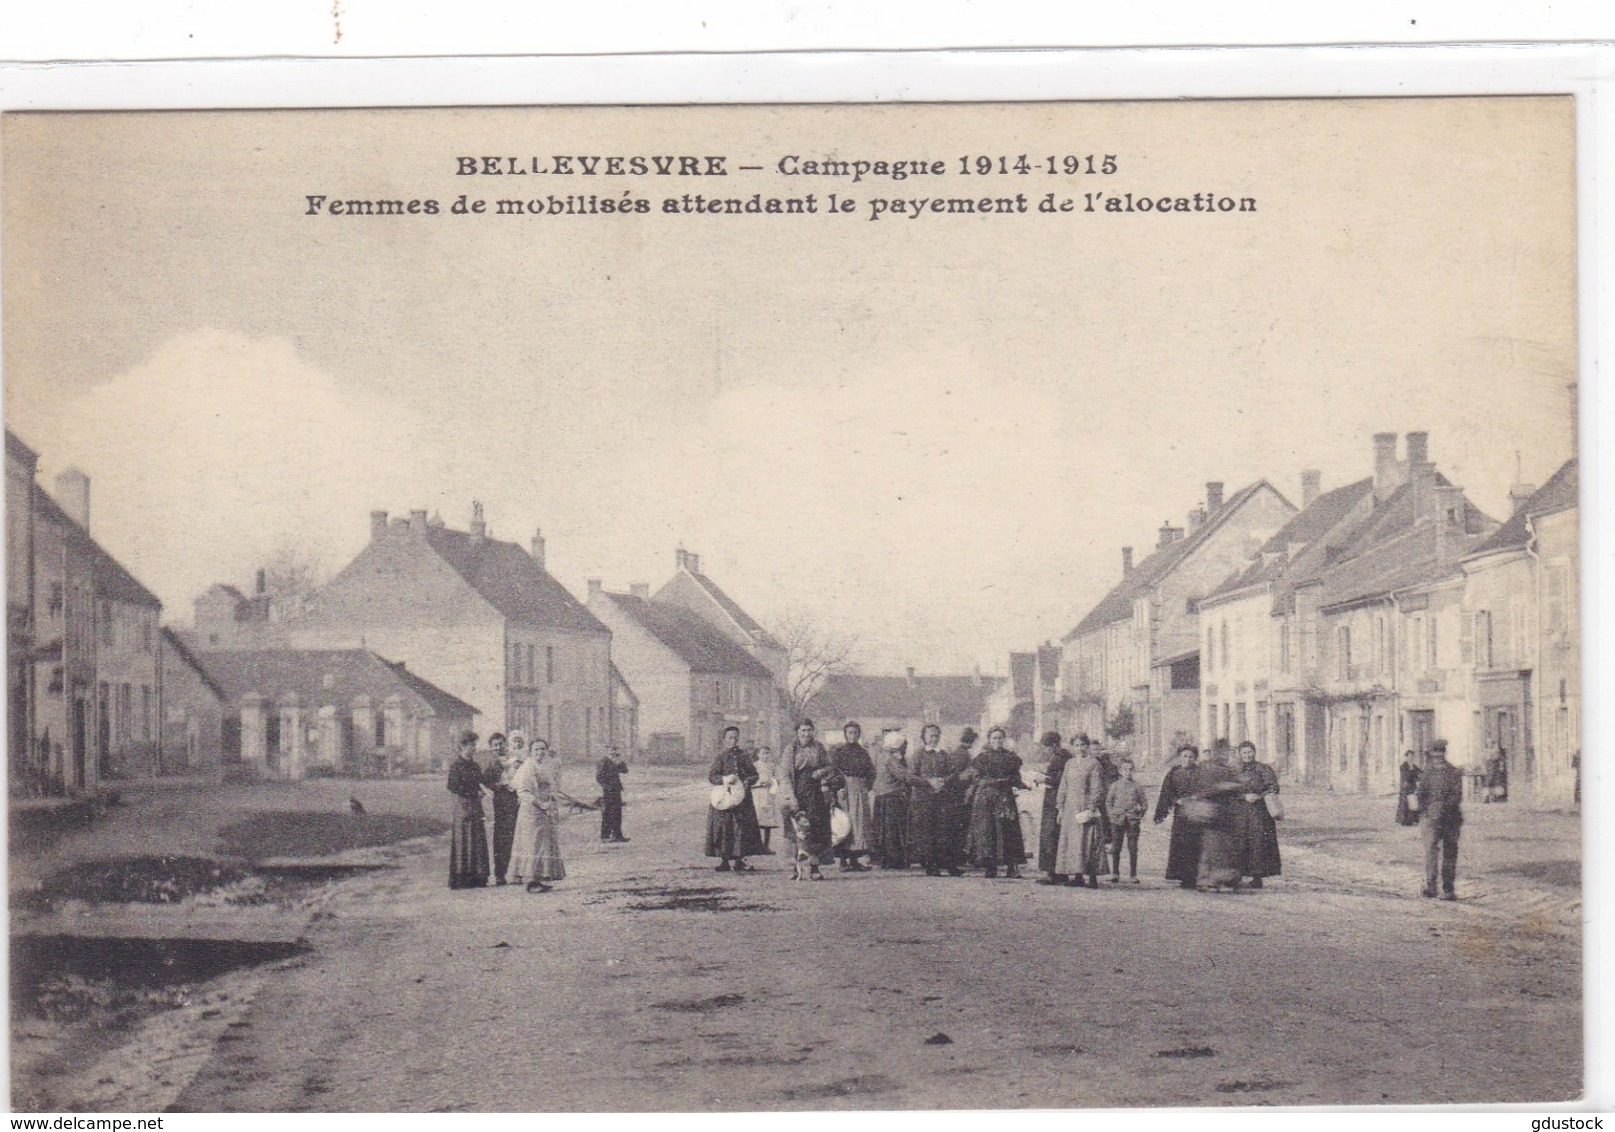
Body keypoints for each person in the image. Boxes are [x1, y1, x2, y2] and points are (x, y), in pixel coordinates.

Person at [779, 719, 839, 880]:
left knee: (817, 829)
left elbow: (830, 766)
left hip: (815, 793)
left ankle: (814, 868)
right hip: (797, 791)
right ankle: (796, 869)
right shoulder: (791, 748)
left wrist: (821, 772)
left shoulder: (818, 747)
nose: (806, 734)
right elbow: (784, 775)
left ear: (813, 731)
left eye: (809, 730)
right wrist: (791, 797)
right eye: (803, 730)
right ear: (797, 731)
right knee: (796, 830)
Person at [966, 727, 1027, 878]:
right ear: (989, 740)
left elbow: (1016, 778)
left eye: (1000, 738)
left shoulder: (1011, 758)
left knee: (1009, 830)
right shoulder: (982, 758)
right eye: (994, 738)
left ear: (1004, 739)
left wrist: (1024, 784)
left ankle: (1012, 867)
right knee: (988, 831)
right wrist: (996, 781)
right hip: (986, 799)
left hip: (1005, 798)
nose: (997, 741)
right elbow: (977, 779)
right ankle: (990, 867)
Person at [1186, 739, 1246, 892]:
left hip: (1215, 814)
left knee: (1211, 847)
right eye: (1224, 752)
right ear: (1217, 752)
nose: (1226, 755)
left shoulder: (1210, 768)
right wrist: (1230, 786)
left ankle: (1207, 880)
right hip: (1217, 813)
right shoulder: (1213, 769)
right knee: (1218, 848)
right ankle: (1215, 880)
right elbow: (1206, 789)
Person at [706, 725, 765, 872]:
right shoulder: (720, 756)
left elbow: (754, 775)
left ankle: (740, 860)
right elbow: (712, 776)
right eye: (730, 737)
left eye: (735, 737)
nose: (733, 740)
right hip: (724, 798)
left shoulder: (744, 756)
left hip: (742, 798)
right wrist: (725, 779)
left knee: (741, 829)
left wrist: (747, 781)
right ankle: (724, 860)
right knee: (724, 828)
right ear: (725, 740)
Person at [510, 739, 566, 893]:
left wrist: (552, 798)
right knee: (532, 845)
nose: (540, 752)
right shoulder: (527, 767)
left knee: (543, 845)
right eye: (536, 749)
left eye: (543, 749)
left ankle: (539, 879)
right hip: (531, 812)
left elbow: (551, 786)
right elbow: (523, 792)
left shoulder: (544, 766)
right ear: (530, 751)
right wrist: (541, 804)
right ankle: (531, 882)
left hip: (544, 810)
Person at [1053, 738, 1106, 887]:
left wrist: (1092, 807)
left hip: (1086, 805)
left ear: (1087, 746)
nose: (1080, 748)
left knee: (1088, 840)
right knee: (1073, 842)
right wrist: (1060, 808)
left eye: (1083, 745)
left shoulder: (1094, 764)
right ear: (1073, 747)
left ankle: (1093, 878)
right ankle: (1078, 876)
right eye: (1077, 746)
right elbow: (1064, 785)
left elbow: (1097, 787)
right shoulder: (1069, 764)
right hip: (1070, 807)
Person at [1417, 739, 1463, 900]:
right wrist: (1426, 811)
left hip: (1450, 818)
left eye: (1439, 755)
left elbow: (1457, 796)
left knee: (1450, 852)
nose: (1437, 759)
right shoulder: (1427, 772)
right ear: (1431, 755)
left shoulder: (1453, 772)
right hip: (1430, 819)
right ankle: (1431, 887)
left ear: (1444, 754)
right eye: (1434, 756)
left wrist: (1441, 808)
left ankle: (1448, 889)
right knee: (1430, 851)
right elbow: (1421, 794)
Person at [1232, 740, 1281, 888]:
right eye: (1244, 753)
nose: (1247, 755)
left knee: (1258, 842)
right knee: (1240, 842)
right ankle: (1237, 875)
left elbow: (1274, 787)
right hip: (1240, 812)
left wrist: (1259, 796)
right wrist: (1243, 796)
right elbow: (1230, 790)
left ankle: (1257, 876)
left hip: (1259, 813)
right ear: (1240, 754)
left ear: (1254, 752)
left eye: (1250, 752)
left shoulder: (1263, 769)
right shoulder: (1235, 771)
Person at [907, 724, 955, 876]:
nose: (934, 739)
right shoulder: (918, 754)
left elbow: (952, 773)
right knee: (927, 832)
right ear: (924, 738)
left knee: (943, 831)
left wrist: (943, 781)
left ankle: (947, 864)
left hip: (941, 798)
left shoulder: (944, 754)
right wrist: (929, 782)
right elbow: (911, 777)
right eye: (931, 736)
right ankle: (930, 865)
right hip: (923, 799)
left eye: (936, 736)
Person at [1155, 744, 1203, 889]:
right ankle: (1182, 876)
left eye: (1191, 757)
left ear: (1195, 758)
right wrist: (1176, 800)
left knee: (1196, 844)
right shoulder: (1174, 773)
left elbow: (1206, 789)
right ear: (1180, 758)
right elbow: (1167, 793)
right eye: (1184, 756)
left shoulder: (1200, 772)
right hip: (1181, 813)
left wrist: (1197, 797)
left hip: (1196, 812)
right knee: (1181, 843)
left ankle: (1195, 876)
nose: (1187, 760)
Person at [447, 730, 491, 890]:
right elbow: (453, 786)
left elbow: (482, 781)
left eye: (474, 745)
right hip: (463, 806)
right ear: (462, 746)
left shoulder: (475, 765)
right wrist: (474, 793)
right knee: (464, 840)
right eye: (470, 745)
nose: (473, 748)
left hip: (476, 807)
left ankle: (478, 877)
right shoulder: (456, 766)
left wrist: (485, 789)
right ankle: (462, 878)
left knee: (477, 840)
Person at [829, 722, 876, 871]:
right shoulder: (839, 752)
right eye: (850, 733)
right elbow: (833, 771)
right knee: (845, 823)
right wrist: (838, 787)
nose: (853, 736)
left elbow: (871, 772)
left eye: (855, 733)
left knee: (859, 825)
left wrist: (866, 786)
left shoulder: (863, 753)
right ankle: (843, 860)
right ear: (845, 734)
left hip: (860, 790)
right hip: (844, 790)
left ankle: (855, 860)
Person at [482, 731, 525, 884]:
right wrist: (498, 785)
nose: (499, 747)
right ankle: (500, 874)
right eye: (495, 745)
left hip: (517, 800)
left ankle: (517, 872)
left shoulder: (514, 758)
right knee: (501, 838)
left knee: (518, 835)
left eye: (501, 744)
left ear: (506, 744)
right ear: (491, 748)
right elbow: (486, 782)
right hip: (501, 802)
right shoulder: (491, 764)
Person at [1033, 731, 1074, 885]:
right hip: (1054, 799)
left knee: (1051, 835)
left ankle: (1053, 873)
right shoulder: (1063, 756)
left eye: (1046, 747)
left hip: (1055, 800)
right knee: (1054, 835)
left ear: (1053, 745)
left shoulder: (1060, 757)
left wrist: (1045, 778)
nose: (1044, 750)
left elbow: (1064, 779)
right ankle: (1058, 872)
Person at [871, 730, 914, 868]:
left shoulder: (881, 756)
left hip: (881, 796)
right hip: (891, 797)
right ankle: (894, 859)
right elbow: (904, 776)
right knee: (893, 830)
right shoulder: (890, 759)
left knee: (883, 830)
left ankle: (884, 859)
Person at [940, 727, 978, 875]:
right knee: (956, 830)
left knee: (955, 830)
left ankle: (954, 861)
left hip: (956, 795)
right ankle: (953, 862)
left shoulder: (958, 752)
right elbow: (958, 776)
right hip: (958, 796)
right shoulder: (963, 754)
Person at [1106, 758, 1149, 883]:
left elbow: (1144, 804)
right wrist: (1112, 815)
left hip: (1132, 820)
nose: (1128, 772)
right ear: (1120, 771)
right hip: (1117, 819)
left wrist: (1139, 814)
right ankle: (1115, 873)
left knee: (1133, 847)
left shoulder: (1137, 786)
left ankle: (1133, 874)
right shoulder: (1115, 785)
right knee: (1116, 846)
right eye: (1125, 769)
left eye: (1130, 769)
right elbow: (1109, 802)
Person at [596, 744, 629, 843]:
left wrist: (620, 760)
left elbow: (625, 770)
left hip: (616, 789)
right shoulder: (604, 761)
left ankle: (618, 835)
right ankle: (605, 835)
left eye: (615, 750)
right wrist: (606, 787)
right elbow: (599, 777)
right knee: (608, 812)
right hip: (609, 791)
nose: (613, 752)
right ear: (607, 751)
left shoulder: (615, 761)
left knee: (617, 813)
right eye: (611, 750)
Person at [752, 746, 781, 851]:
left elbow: (778, 779)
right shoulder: (754, 766)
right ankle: (756, 846)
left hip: (768, 794)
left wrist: (772, 782)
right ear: (758, 754)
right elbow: (750, 779)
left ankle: (766, 846)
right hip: (757, 794)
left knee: (768, 821)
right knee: (756, 819)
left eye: (768, 753)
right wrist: (758, 783)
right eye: (763, 753)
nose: (766, 755)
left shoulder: (772, 766)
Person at [1396, 750, 1423, 827]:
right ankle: (1405, 821)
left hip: (1412, 787)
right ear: (1406, 757)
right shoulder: (1403, 766)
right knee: (1405, 804)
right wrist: (1413, 773)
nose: (1411, 758)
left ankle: (1413, 820)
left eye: (1412, 756)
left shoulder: (1414, 766)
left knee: (1413, 803)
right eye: (1409, 756)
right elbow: (1406, 776)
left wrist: (1421, 777)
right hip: (1405, 787)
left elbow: (1421, 773)